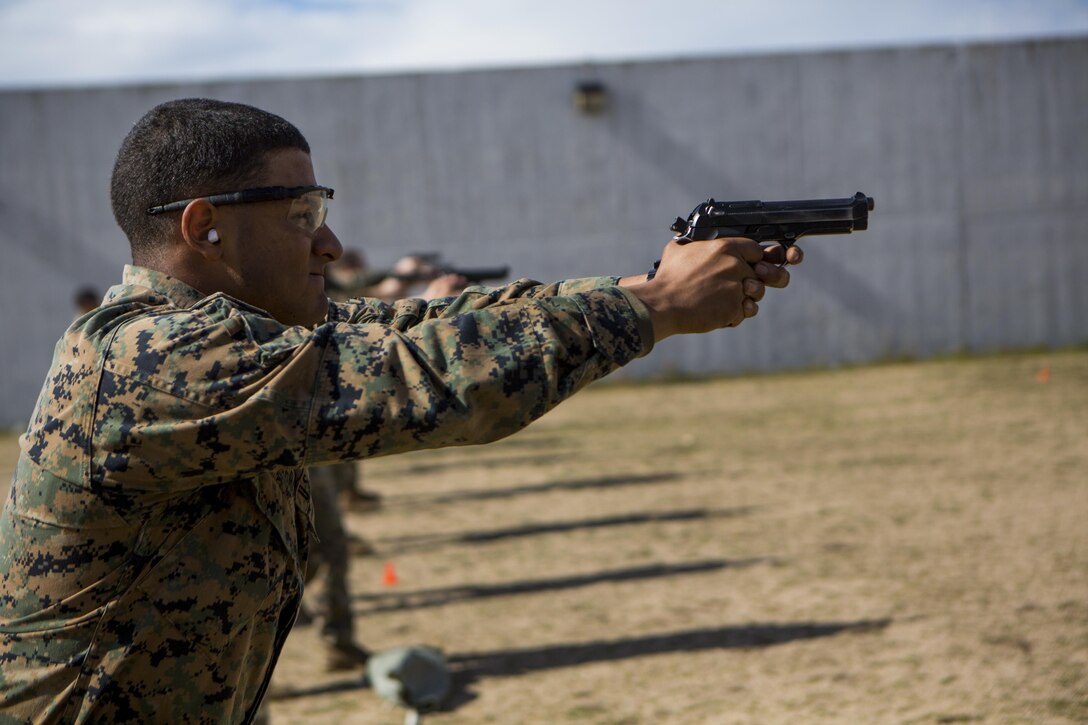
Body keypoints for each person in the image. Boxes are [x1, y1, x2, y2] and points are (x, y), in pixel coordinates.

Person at [0, 97, 799, 723]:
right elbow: (424, 378)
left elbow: (421, 324)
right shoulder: (147, 357)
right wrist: (654, 308)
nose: (331, 245)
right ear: (203, 225)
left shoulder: (239, 337)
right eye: (303, 215)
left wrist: (634, 285)